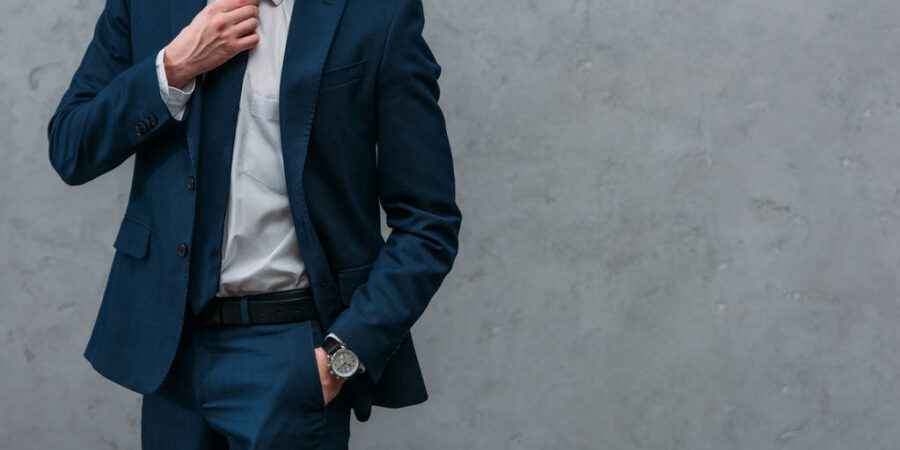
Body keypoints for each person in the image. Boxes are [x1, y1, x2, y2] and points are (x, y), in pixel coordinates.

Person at [46, 0, 461, 447]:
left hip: (290, 357)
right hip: (171, 354)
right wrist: (174, 67)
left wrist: (343, 355)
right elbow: (71, 146)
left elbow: (428, 221)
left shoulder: (377, 13)